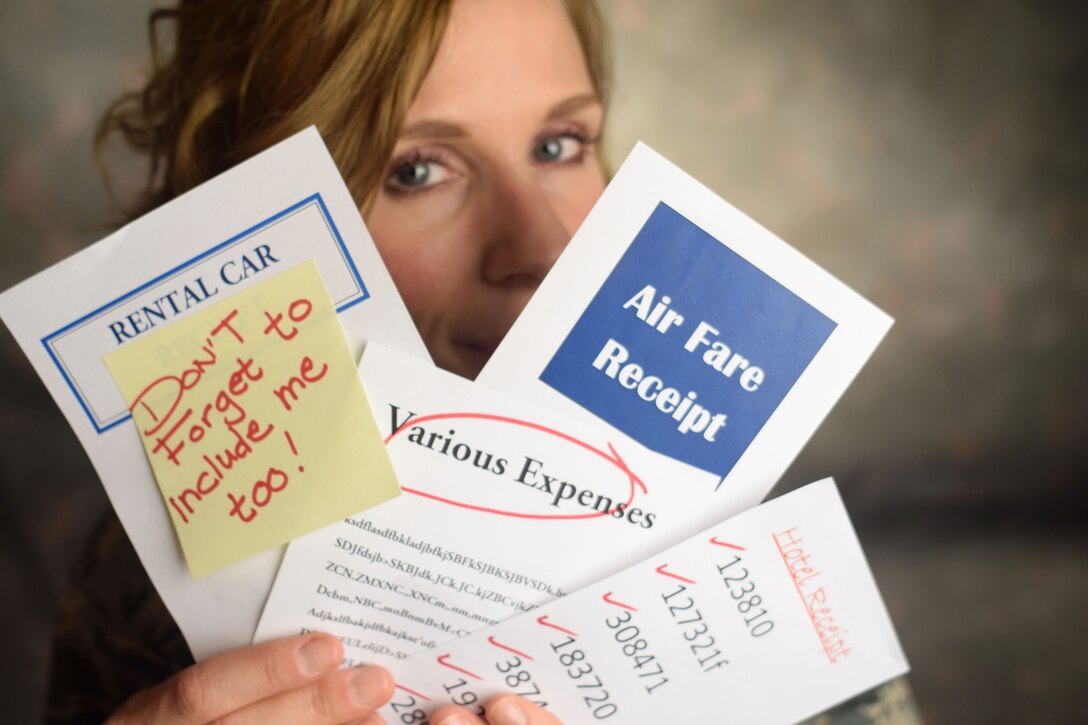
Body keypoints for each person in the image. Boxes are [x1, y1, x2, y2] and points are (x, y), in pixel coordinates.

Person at [49, 0, 609, 723]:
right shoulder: (147, 586)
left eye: (558, 145)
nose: (545, 248)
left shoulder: (741, 512)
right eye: (416, 169)